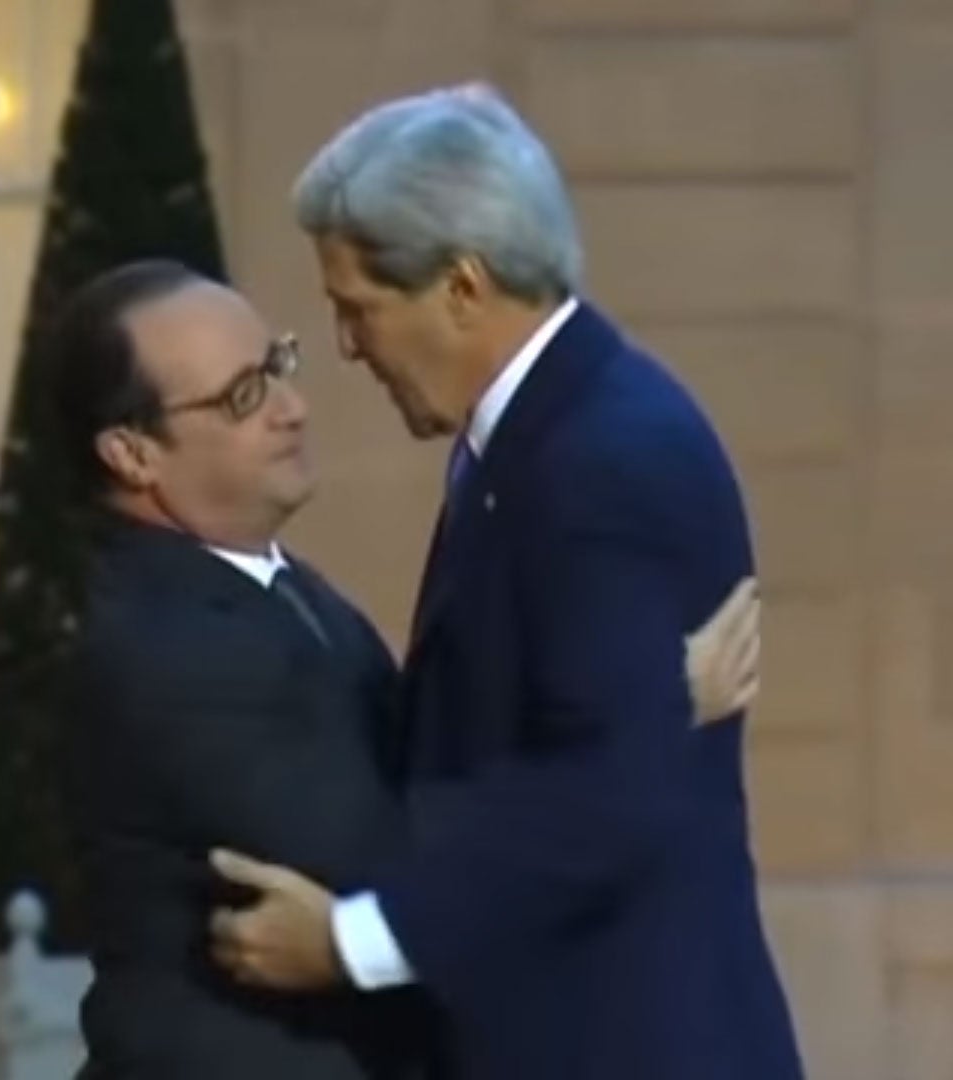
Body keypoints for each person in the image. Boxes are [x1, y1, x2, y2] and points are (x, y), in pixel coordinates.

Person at [208, 84, 804, 1080]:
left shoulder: (601, 458)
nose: (349, 347)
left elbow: (608, 798)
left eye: (359, 309)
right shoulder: (533, 436)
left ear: (463, 286)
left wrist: (354, 941)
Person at [51, 259, 760, 1079]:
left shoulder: (277, 585)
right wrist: (651, 709)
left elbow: (434, 761)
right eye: (243, 396)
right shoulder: (157, 642)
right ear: (132, 453)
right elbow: (403, 857)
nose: (294, 408)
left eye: (279, 366)